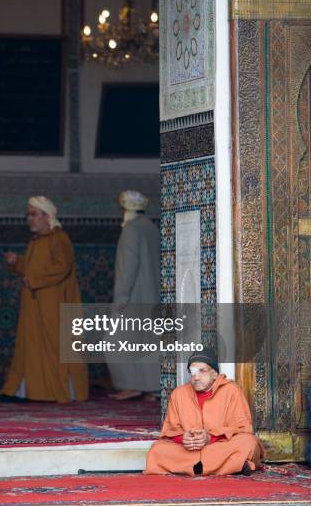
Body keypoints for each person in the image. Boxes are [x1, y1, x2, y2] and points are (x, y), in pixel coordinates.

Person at [0, 196, 88, 403]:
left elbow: (62, 267)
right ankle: (28, 390)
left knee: (56, 345)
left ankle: (62, 391)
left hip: (53, 304)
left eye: (34, 214)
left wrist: (35, 279)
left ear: (47, 216)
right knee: (31, 345)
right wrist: (17, 263)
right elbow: (31, 270)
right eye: (28, 214)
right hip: (34, 302)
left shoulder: (59, 238)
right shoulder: (36, 242)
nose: (29, 218)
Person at [145, 349, 264, 476]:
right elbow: (170, 430)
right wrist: (183, 439)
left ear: (214, 374)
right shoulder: (179, 394)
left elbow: (243, 428)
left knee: (249, 442)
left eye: (202, 371)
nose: (196, 377)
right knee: (158, 449)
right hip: (189, 449)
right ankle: (232, 465)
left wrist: (210, 438)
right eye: (192, 372)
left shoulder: (232, 391)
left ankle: (196, 467)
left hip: (219, 445)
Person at [108, 190, 161, 401]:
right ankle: (152, 387)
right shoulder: (150, 227)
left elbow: (126, 269)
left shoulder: (131, 229)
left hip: (134, 297)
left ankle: (131, 385)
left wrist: (119, 300)